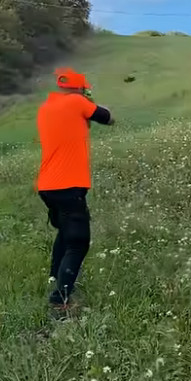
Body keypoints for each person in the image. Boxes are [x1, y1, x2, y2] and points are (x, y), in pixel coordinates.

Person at [36, 67, 115, 319]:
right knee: (78, 241)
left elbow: (81, 127)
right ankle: (60, 300)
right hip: (68, 185)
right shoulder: (78, 102)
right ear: (81, 88)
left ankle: (54, 275)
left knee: (64, 232)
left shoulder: (46, 108)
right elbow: (108, 118)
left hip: (47, 185)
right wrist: (90, 101)